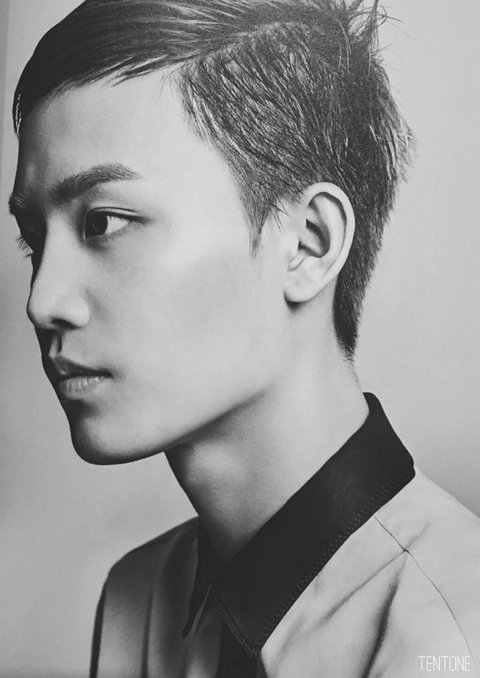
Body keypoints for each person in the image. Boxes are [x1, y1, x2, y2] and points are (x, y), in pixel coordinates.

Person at [9, 0, 480, 676]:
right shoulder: (136, 598)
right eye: (33, 239)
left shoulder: (452, 633)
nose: (42, 301)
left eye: (103, 223)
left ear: (309, 242)